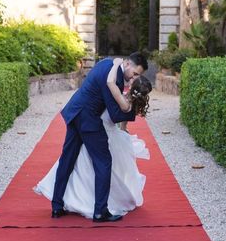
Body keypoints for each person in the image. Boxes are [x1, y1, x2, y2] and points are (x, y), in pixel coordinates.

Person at [38, 52, 150, 222]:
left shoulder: (106, 63)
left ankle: (56, 206)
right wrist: (131, 109)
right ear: (127, 63)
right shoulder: (116, 80)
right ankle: (100, 211)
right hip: (88, 120)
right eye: (135, 73)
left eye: (138, 76)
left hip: (74, 112)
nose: (134, 78)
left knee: (67, 159)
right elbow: (114, 114)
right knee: (103, 162)